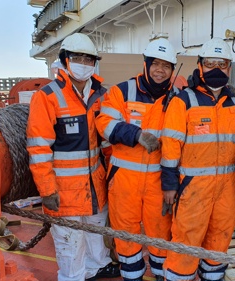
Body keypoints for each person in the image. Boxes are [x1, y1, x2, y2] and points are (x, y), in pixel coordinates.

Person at [160, 37, 235, 281]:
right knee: (186, 243)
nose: (216, 68)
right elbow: (170, 146)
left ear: (229, 67)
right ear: (200, 65)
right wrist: (170, 185)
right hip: (193, 189)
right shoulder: (183, 101)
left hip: (228, 189)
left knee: (219, 242)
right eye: (210, 63)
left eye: (222, 63)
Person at [26, 33, 120, 281]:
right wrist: (47, 190)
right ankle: (73, 277)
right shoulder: (47, 97)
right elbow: (39, 148)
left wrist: (113, 179)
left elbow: (108, 144)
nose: (83, 63)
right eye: (77, 58)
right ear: (65, 60)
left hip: (96, 186)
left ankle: (96, 268)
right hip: (63, 191)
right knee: (70, 242)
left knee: (95, 233)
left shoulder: (102, 95)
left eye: (88, 59)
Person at [96, 38, 179, 281]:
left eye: (166, 66)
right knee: (126, 236)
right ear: (146, 64)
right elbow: (103, 124)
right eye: (156, 64)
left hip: (159, 182)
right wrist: (135, 134)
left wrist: (172, 184)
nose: (160, 70)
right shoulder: (122, 91)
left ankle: (160, 275)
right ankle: (132, 277)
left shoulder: (178, 98)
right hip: (124, 181)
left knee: (160, 235)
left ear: (173, 70)